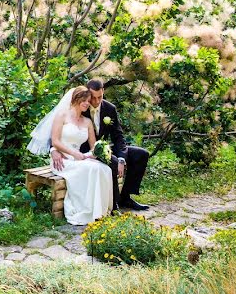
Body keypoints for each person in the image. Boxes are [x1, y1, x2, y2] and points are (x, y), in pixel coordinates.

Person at [50, 79, 150, 211]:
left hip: (102, 148)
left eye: (100, 97)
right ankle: (114, 203)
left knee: (141, 154)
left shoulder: (109, 109)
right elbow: (55, 136)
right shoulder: (80, 107)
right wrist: (53, 150)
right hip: (84, 153)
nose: (96, 102)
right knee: (112, 162)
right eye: (93, 98)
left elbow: (118, 136)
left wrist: (122, 157)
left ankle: (125, 197)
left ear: (103, 92)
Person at [29, 86, 113, 225]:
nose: (87, 103)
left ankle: (99, 211)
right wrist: (73, 153)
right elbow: (55, 140)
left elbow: (93, 146)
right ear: (75, 99)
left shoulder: (87, 122)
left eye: (88, 101)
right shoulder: (62, 116)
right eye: (84, 100)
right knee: (92, 169)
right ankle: (86, 210)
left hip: (80, 158)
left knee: (104, 169)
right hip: (62, 160)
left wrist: (98, 151)